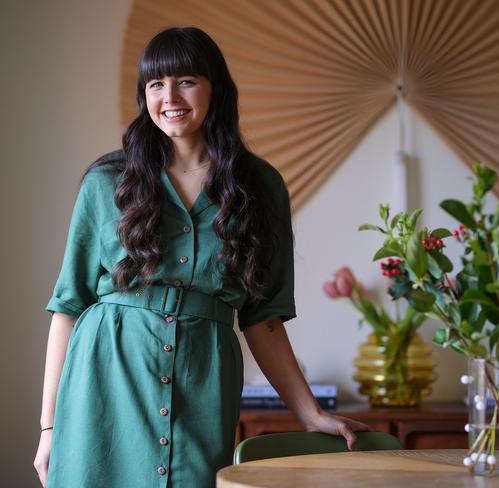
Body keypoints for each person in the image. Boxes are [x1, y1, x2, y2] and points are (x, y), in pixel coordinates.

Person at [33, 26, 369, 487]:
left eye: (186, 80)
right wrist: (49, 428)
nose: (169, 96)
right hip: (105, 380)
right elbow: (68, 306)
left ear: (216, 88)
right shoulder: (107, 182)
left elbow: (263, 316)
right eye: (155, 84)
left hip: (203, 379)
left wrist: (310, 414)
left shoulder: (260, 187)